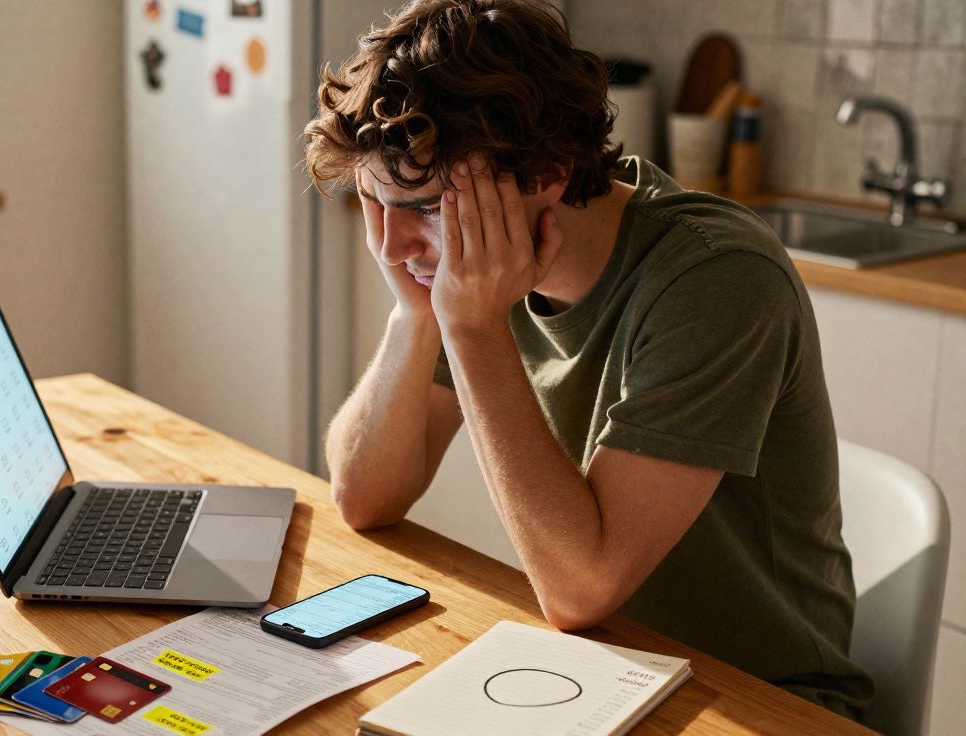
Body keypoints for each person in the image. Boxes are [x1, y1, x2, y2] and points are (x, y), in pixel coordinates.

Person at [304, 0, 873, 720]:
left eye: (419, 207)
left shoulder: (715, 276)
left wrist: (472, 328)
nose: (392, 247)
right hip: (598, 671)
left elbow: (579, 589)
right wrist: (414, 312)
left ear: (544, 170)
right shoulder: (483, 264)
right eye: (376, 206)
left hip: (762, 702)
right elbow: (364, 498)